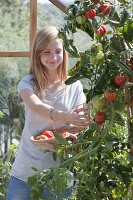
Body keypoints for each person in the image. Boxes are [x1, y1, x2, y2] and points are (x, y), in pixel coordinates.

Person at [6, 26, 88, 200]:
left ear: (64, 53)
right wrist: (64, 116)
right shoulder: (28, 83)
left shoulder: (75, 86)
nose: (53, 57)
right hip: (26, 170)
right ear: (38, 54)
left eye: (58, 51)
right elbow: (36, 106)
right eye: (47, 52)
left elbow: (79, 124)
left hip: (59, 172)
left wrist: (82, 123)